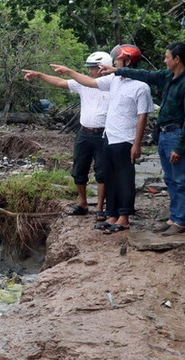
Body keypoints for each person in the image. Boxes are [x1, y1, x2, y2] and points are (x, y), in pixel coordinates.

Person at [97, 42, 185, 235]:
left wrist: (180, 147)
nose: (164, 60)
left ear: (177, 59)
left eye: (167, 57)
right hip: (164, 134)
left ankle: (180, 221)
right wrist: (117, 71)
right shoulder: (169, 77)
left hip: (176, 135)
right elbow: (145, 74)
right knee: (170, 179)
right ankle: (173, 218)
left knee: (180, 180)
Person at [52, 45, 153, 233]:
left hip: (126, 140)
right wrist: (70, 72)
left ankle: (124, 218)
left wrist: (137, 144)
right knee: (110, 178)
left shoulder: (141, 87)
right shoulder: (114, 81)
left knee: (124, 179)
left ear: (128, 62)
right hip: (109, 137)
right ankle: (112, 214)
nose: (114, 62)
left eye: (117, 60)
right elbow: (89, 82)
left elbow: (142, 117)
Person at [22, 51, 112, 220]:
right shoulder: (83, 84)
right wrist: (40, 75)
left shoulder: (111, 84)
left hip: (103, 134)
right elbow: (60, 82)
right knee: (79, 169)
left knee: (102, 171)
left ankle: (100, 207)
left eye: (93, 68)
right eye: (90, 68)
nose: (90, 71)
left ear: (103, 68)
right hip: (84, 132)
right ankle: (82, 203)